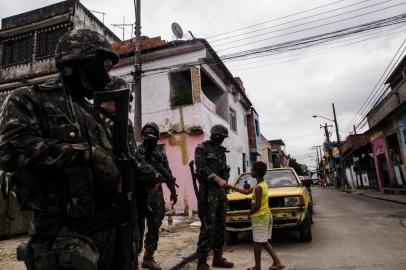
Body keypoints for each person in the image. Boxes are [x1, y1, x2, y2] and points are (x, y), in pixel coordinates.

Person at [0, 29, 123, 270]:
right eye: (105, 68)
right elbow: (10, 151)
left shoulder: (93, 114)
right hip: (62, 240)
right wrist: (87, 155)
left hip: (107, 235)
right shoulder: (29, 98)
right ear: (81, 62)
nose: (107, 79)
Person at [228, 161, 285, 270]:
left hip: (260, 217)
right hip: (264, 215)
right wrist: (232, 187)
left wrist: (249, 213)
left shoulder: (259, 188)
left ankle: (267, 265)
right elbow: (246, 192)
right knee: (262, 242)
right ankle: (271, 263)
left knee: (258, 243)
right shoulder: (260, 184)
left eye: (253, 170)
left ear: (257, 173)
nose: (251, 171)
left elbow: (258, 205)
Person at [137, 122, 178, 270]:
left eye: (152, 133)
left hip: (156, 194)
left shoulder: (160, 154)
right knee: (137, 227)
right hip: (140, 193)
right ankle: (132, 257)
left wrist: (173, 191)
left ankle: (148, 258)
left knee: (154, 226)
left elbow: (168, 173)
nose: (149, 135)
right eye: (146, 132)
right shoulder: (136, 151)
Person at [194, 124, 234, 270]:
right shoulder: (202, 148)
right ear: (214, 135)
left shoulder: (221, 151)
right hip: (207, 193)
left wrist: (225, 181)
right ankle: (202, 262)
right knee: (207, 227)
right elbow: (201, 168)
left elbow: (224, 170)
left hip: (220, 194)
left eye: (224, 138)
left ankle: (218, 258)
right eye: (221, 137)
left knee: (220, 226)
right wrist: (217, 179)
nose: (222, 140)